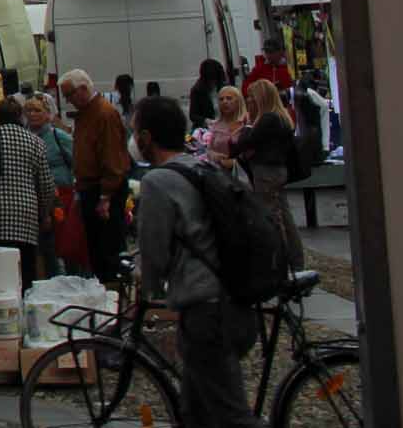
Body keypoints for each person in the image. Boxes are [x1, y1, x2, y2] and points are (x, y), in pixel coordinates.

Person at [133, 96, 263, 428]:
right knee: (195, 411)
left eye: (136, 132)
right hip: (235, 300)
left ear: (146, 137)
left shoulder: (157, 182)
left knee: (231, 415)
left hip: (207, 310)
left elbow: (154, 251)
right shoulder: (203, 165)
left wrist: (145, 288)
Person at [0, 99, 55, 287]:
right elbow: (46, 184)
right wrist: (45, 212)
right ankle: (24, 304)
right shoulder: (35, 141)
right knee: (25, 268)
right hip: (25, 213)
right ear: (20, 116)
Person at [63, 70, 131, 284]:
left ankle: (113, 297)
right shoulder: (87, 113)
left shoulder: (103, 113)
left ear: (83, 89)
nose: (68, 101)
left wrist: (105, 197)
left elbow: (112, 158)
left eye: (70, 95)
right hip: (90, 188)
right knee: (96, 252)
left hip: (103, 190)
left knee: (107, 251)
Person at [233, 79, 305, 269]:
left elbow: (242, 144)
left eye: (251, 97)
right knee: (284, 217)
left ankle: (279, 263)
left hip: (266, 171)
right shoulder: (281, 118)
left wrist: (247, 126)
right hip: (277, 170)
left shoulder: (267, 119)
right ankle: (295, 261)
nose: (248, 101)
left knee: (271, 218)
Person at [26, 96, 80, 277]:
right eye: (29, 110)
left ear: (48, 114)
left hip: (60, 198)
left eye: (37, 110)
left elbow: (77, 164)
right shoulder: (23, 137)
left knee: (60, 243)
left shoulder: (59, 137)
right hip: (33, 199)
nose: (32, 114)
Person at [205, 85, 249, 167]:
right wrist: (214, 156)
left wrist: (234, 162)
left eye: (229, 98)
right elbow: (209, 150)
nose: (224, 102)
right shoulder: (216, 124)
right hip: (221, 173)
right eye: (221, 99)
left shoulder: (247, 122)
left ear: (238, 101)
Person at [190, 58, 229, 129]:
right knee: (189, 138)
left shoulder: (225, 88)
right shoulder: (197, 91)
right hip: (206, 129)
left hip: (224, 126)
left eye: (216, 79)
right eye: (211, 79)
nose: (213, 82)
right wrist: (207, 121)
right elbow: (193, 115)